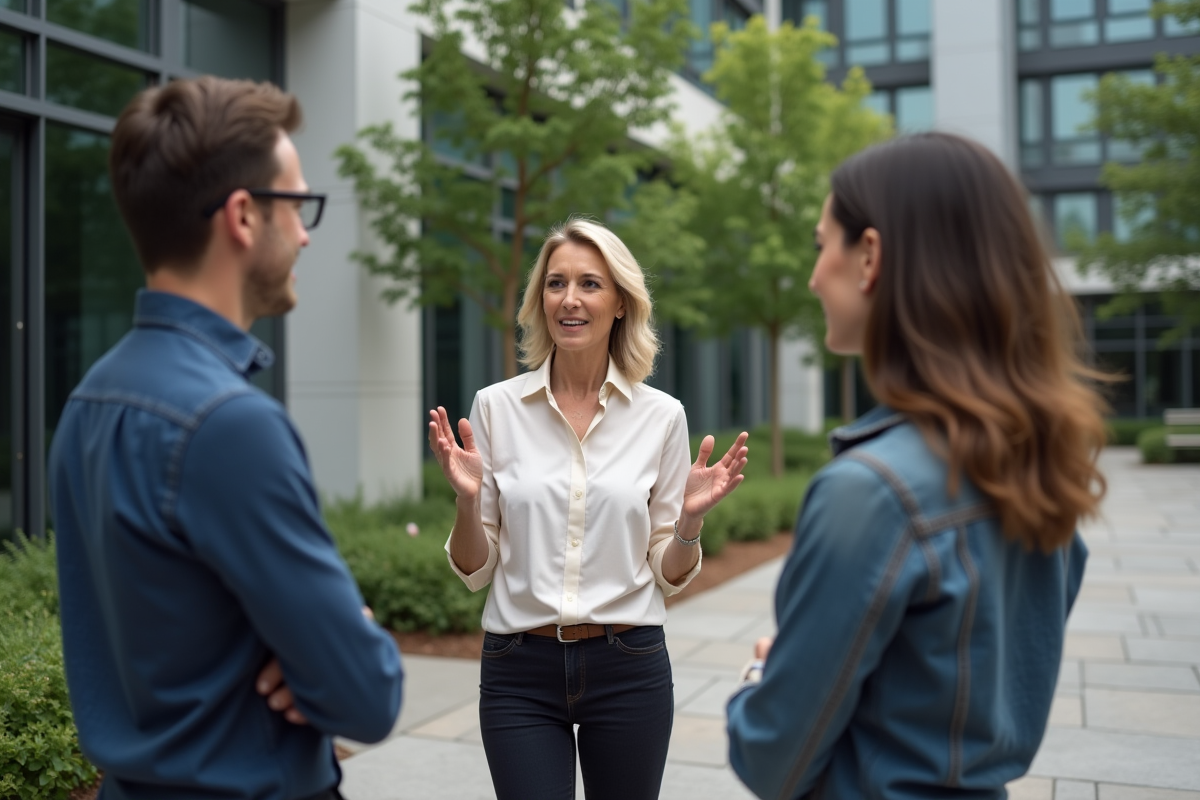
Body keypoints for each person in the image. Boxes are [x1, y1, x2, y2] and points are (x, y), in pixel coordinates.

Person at [48, 77, 404, 800]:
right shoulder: (229, 424)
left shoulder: (88, 403)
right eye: (298, 205)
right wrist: (348, 637)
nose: (305, 233)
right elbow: (368, 696)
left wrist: (319, 653)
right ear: (243, 216)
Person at [726, 132, 1106, 799]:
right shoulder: (1035, 461)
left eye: (821, 245)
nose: (813, 277)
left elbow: (771, 757)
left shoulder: (870, 492)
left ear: (870, 256)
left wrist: (763, 679)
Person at [427, 217, 749, 800]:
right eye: (555, 283)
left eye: (589, 284)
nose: (569, 299)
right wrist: (467, 504)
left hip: (629, 665)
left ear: (621, 303)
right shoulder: (495, 408)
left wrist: (690, 522)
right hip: (518, 668)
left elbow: (668, 573)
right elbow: (476, 570)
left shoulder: (662, 417)